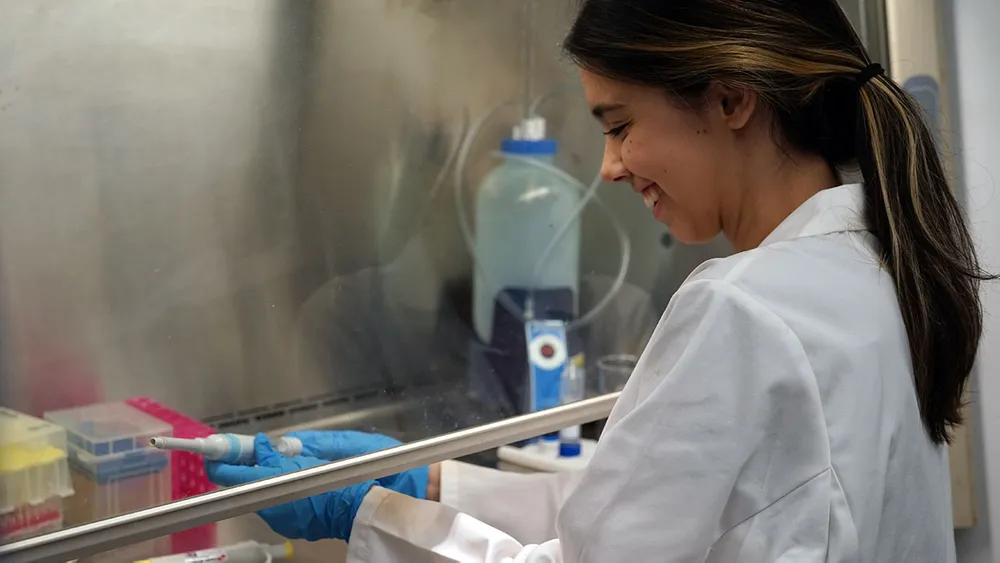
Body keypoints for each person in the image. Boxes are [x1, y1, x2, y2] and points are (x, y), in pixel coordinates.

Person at [206, 0, 996, 560]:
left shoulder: (742, 308)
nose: (610, 167)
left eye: (619, 125)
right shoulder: (875, 263)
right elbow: (653, 509)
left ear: (730, 99)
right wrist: (429, 479)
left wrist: (364, 512)